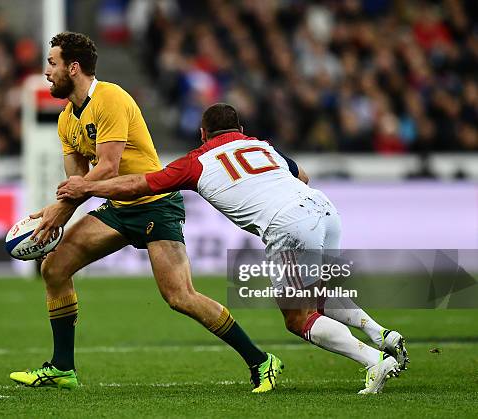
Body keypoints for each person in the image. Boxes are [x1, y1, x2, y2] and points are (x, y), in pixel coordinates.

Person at [57, 103, 410, 394]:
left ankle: (373, 361)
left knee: (297, 317)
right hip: (324, 209)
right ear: (239, 130)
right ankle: (382, 335)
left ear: (202, 134)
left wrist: (88, 189)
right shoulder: (262, 145)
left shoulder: (196, 161)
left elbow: (139, 184)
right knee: (316, 295)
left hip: (287, 224)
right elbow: (302, 175)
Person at [10, 33, 281, 393]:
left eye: (52, 63)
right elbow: (77, 182)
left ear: (73, 68)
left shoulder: (111, 98)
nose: (47, 72)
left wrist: (60, 208)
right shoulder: (66, 121)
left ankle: (261, 360)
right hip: (119, 208)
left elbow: (106, 168)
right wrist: (54, 212)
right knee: (55, 268)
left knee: (180, 296)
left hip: (156, 203)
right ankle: (63, 368)